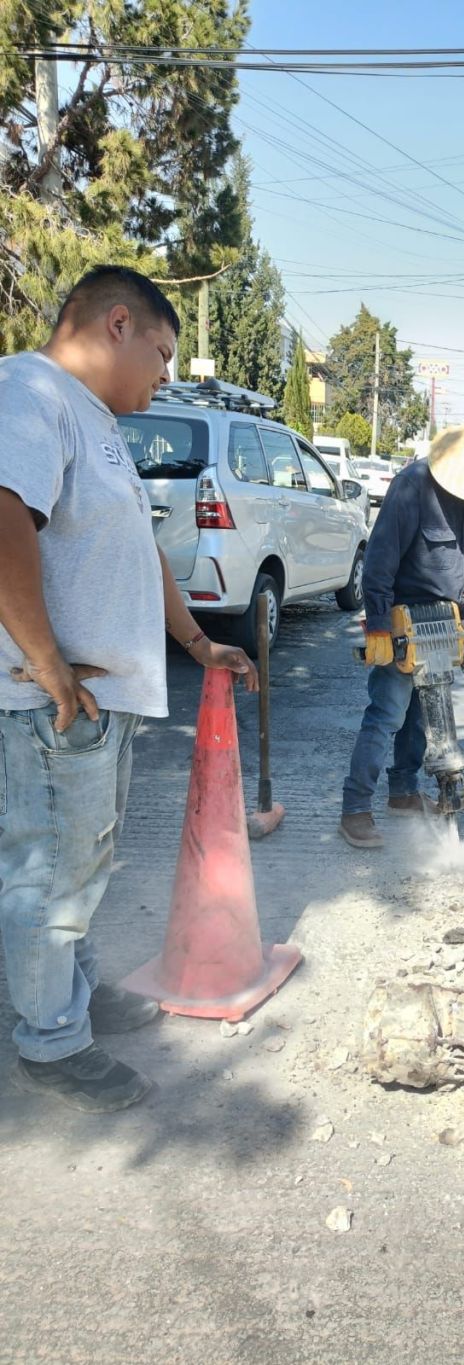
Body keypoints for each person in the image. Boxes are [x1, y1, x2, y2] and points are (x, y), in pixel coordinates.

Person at [0, 265, 257, 1114]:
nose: (168, 374)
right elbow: (3, 513)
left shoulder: (99, 422)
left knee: (84, 866)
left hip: (95, 702)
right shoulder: (27, 391)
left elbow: (141, 557)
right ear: (118, 323)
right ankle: (50, 1040)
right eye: (163, 351)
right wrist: (45, 662)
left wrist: (196, 641)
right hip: (51, 704)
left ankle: (70, 995)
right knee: (48, 876)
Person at [340, 421, 464, 849]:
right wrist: (377, 624)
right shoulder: (414, 486)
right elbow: (380, 559)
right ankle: (355, 808)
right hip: (405, 623)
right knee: (388, 714)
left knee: (425, 716)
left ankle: (404, 793)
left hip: (455, 627)